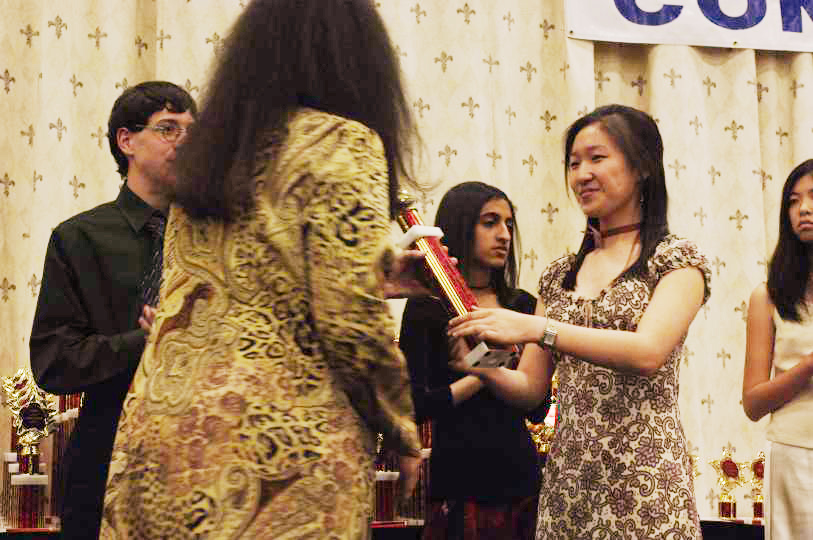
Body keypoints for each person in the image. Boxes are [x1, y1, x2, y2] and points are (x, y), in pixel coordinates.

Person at [99, 1, 424, 538]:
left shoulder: (211, 154)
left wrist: (380, 270)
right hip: (276, 444)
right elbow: (350, 323)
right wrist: (402, 426)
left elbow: (242, 274)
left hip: (162, 435)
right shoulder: (342, 141)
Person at [447, 105, 711, 540]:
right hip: (569, 484)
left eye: (597, 158)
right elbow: (529, 388)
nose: (582, 174)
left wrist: (538, 329)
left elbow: (647, 353)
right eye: (573, 163)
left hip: (647, 478)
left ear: (642, 166)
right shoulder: (559, 274)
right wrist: (479, 362)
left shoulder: (675, 259)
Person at [29, 81, 196, 539]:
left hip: (202, 459)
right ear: (127, 141)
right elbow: (53, 361)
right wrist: (146, 342)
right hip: (106, 455)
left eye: (192, 131)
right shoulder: (78, 238)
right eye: (168, 128)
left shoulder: (217, 238)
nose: (185, 141)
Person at [399, 181, 546, 540]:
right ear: (462, 225)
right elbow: (415, 406)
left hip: (522, 483)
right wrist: (487, 371)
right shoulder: (427, 307)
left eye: (509, 224)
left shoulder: (522, 306)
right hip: (460, 485)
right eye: (490, 222)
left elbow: (538, 409)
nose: (504, 235)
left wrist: (479, 365)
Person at [742, 159, 813, 540]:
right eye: (793, 201)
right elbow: (753, 404)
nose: (804, 209)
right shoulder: (769, 296)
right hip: (795, 455)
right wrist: (808, 366)